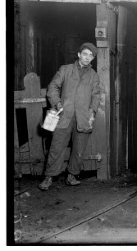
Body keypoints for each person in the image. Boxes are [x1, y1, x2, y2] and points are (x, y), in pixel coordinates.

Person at [39, 42, 101, 191]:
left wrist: (92, 112)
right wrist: (57, 104)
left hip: (83, 118)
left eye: (91, 55)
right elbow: (52, 87)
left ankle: (72, 175)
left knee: (79, 149)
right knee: (56, 147)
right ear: (79, 54)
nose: (87, 58)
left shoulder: (94, 76)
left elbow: (96, 95)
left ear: (93, 58)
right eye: (85, 54)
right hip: (64, 116)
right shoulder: (65, 69)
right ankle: (49, 177)